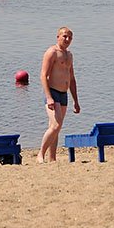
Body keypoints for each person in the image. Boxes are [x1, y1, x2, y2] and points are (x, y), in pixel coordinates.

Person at [38, 26, 80, 162]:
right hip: (53, 92)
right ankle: (40, 154)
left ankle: (52, 158)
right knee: (56, 125)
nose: (67, 39)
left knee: (56, 127)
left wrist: (76, 100)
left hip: (64, 94)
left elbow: (72, 78)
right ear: (58, 37)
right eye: (64, 36)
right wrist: (49, 97)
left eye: (70, 37)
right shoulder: (52, 52)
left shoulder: (69, 55)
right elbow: (43, 75)